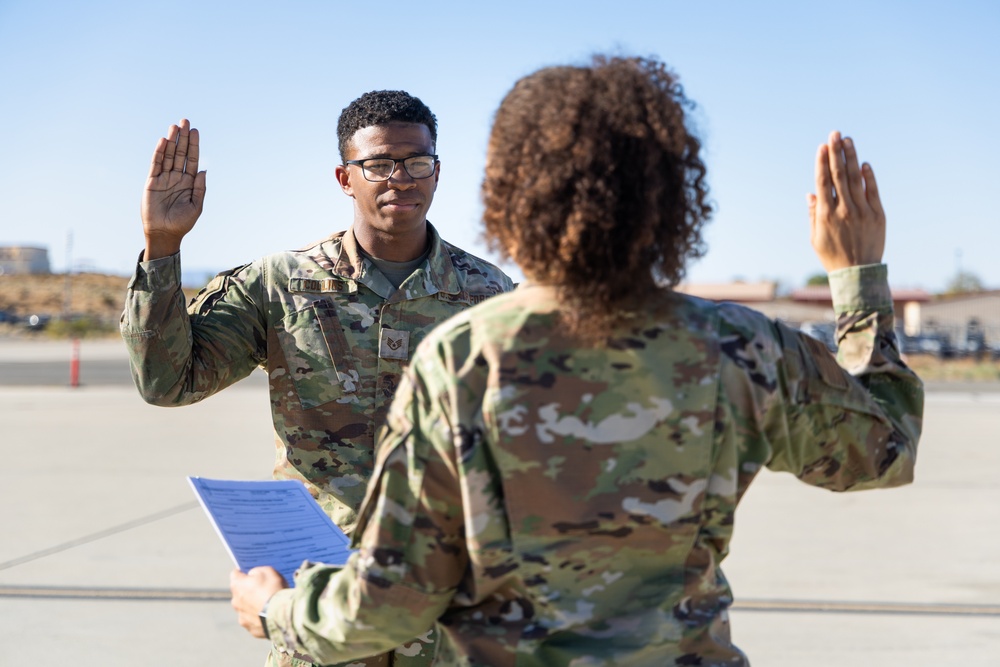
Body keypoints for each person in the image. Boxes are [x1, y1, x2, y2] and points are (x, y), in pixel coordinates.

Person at [229, 56, 923, 666]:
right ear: (669, 195)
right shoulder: (740, 345)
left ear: (511, 194)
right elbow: (884, 449)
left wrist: (281, 607)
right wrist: (857, 276)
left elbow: (391, 603)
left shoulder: (468, 354)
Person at [120, 91, 514, 667]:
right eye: (378, 164)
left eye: (416, 161)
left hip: (444, 607)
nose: (399, 178)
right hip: (318, 598)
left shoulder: (489, 294)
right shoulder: (281, 285)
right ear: (344, 177)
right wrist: (162, 246)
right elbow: (168, 383)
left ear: (437, 171)